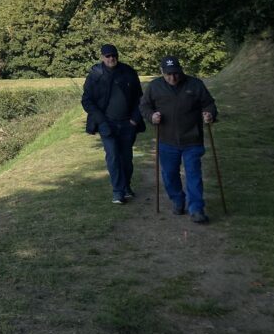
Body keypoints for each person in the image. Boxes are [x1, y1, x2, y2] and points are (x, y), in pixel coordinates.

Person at [140, 55, 218, 223]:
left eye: (175, 73)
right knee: (169, 174)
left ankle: (196, 209)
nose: (172, 77)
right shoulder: (154, 87)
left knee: (193, 174)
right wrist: (151, 116)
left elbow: (209, 103)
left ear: (181, 70)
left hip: (192, 139)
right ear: (162, 72)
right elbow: (144, 106)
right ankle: (177, 199)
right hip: (167, 140)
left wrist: (209, 114)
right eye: (168, 74)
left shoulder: (195, 84)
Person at [82, 44, 145, 204]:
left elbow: (140, 98)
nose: (111, 59)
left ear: (117, 56)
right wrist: (101, 121)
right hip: (106, 123)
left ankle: (126, 186)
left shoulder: (129, 72)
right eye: (108, 56)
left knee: (126, 158)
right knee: (113, 157)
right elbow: (87, 101)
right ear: (102, 57)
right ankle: (118, 192)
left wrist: (134, 119)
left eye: (114, 56)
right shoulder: (95, 75)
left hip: (127, 123)